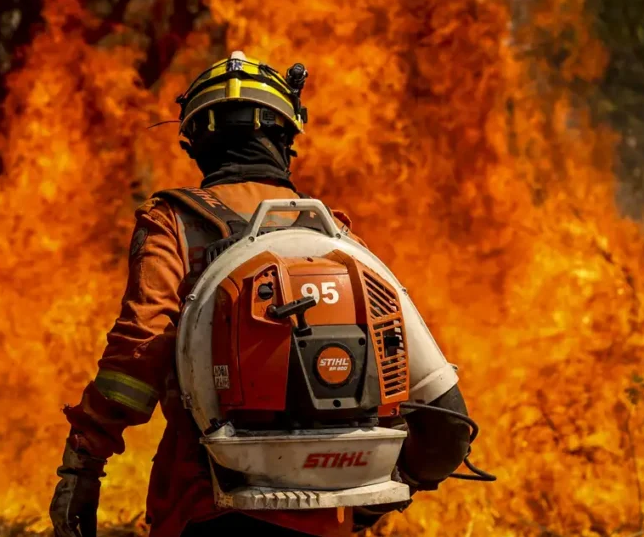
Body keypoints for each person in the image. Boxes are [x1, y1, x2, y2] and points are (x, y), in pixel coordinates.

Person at [49, 51, 472, 537]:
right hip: (330, 519)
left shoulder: (174, 223)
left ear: (197, 144)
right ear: (287, 138)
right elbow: (448, 423)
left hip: (203, 503)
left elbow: (139, 352)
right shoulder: (340, 245)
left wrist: (83, 465)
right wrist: (377, 495)